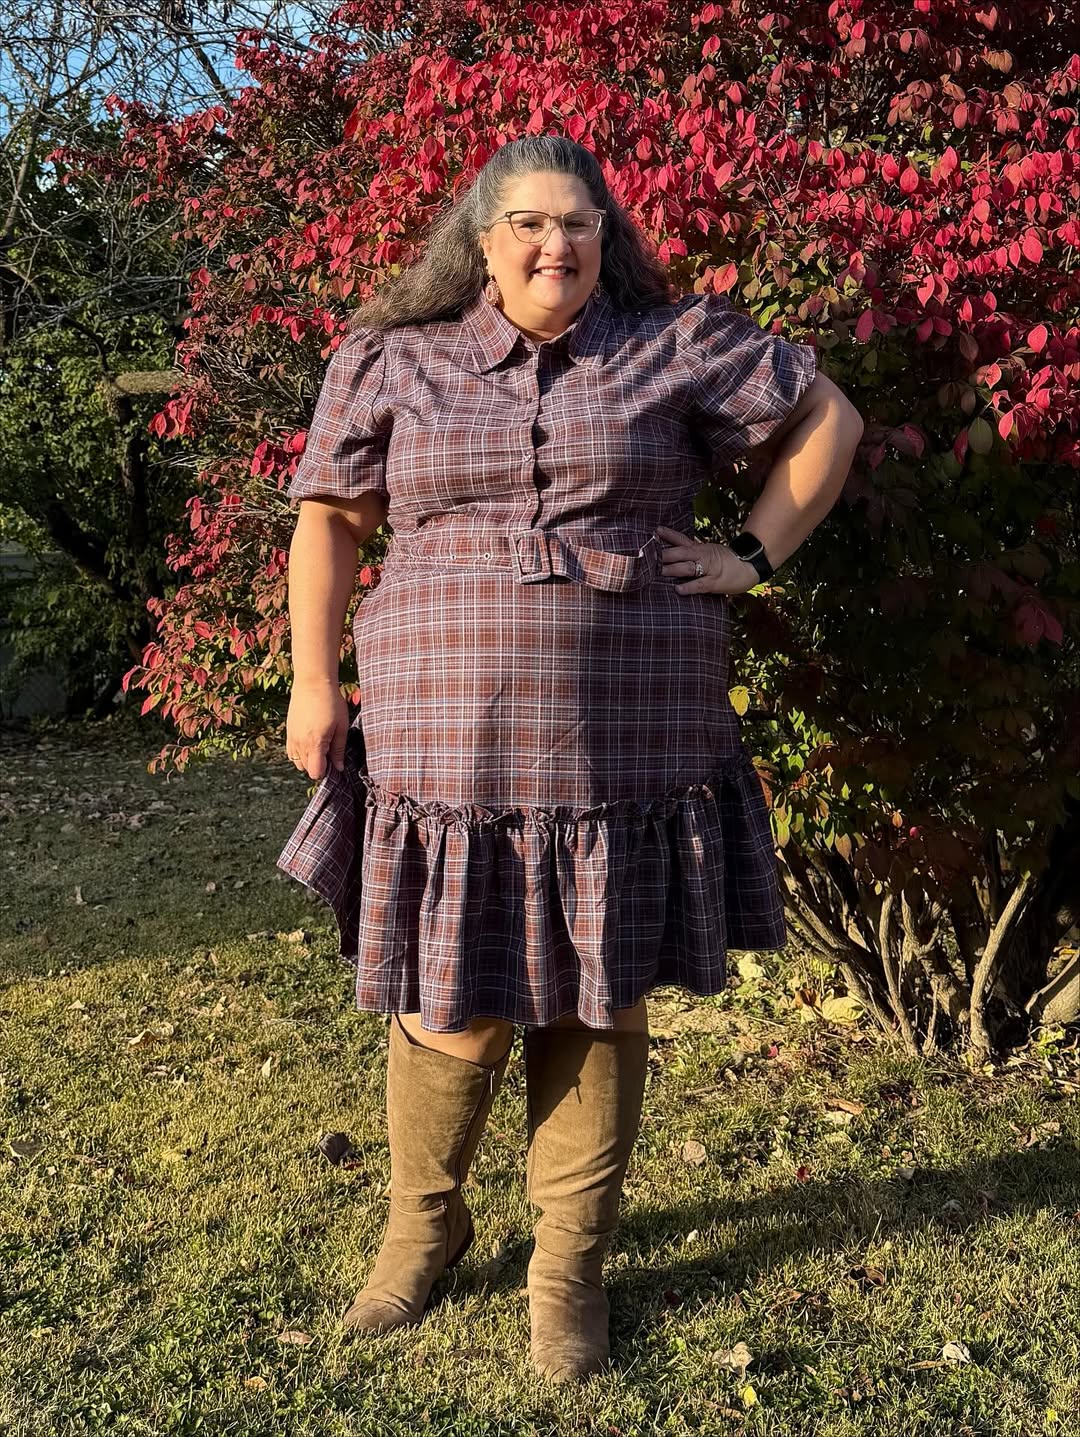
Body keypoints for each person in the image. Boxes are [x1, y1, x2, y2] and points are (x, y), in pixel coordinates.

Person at [277, 134, 863, 1384]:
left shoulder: (674, 344)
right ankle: (421, 1231)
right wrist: (314, 678)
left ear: (609, 235)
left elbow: (829, 416)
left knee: (601, 994)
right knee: (455, 999)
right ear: (482, 239)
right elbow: (328, 520)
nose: (559, 246)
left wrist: (756, 555)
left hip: (627, 738)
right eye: (532, 225)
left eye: (582, 224)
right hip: (444, 744)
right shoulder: (393, 358)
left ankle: (568, 1273)